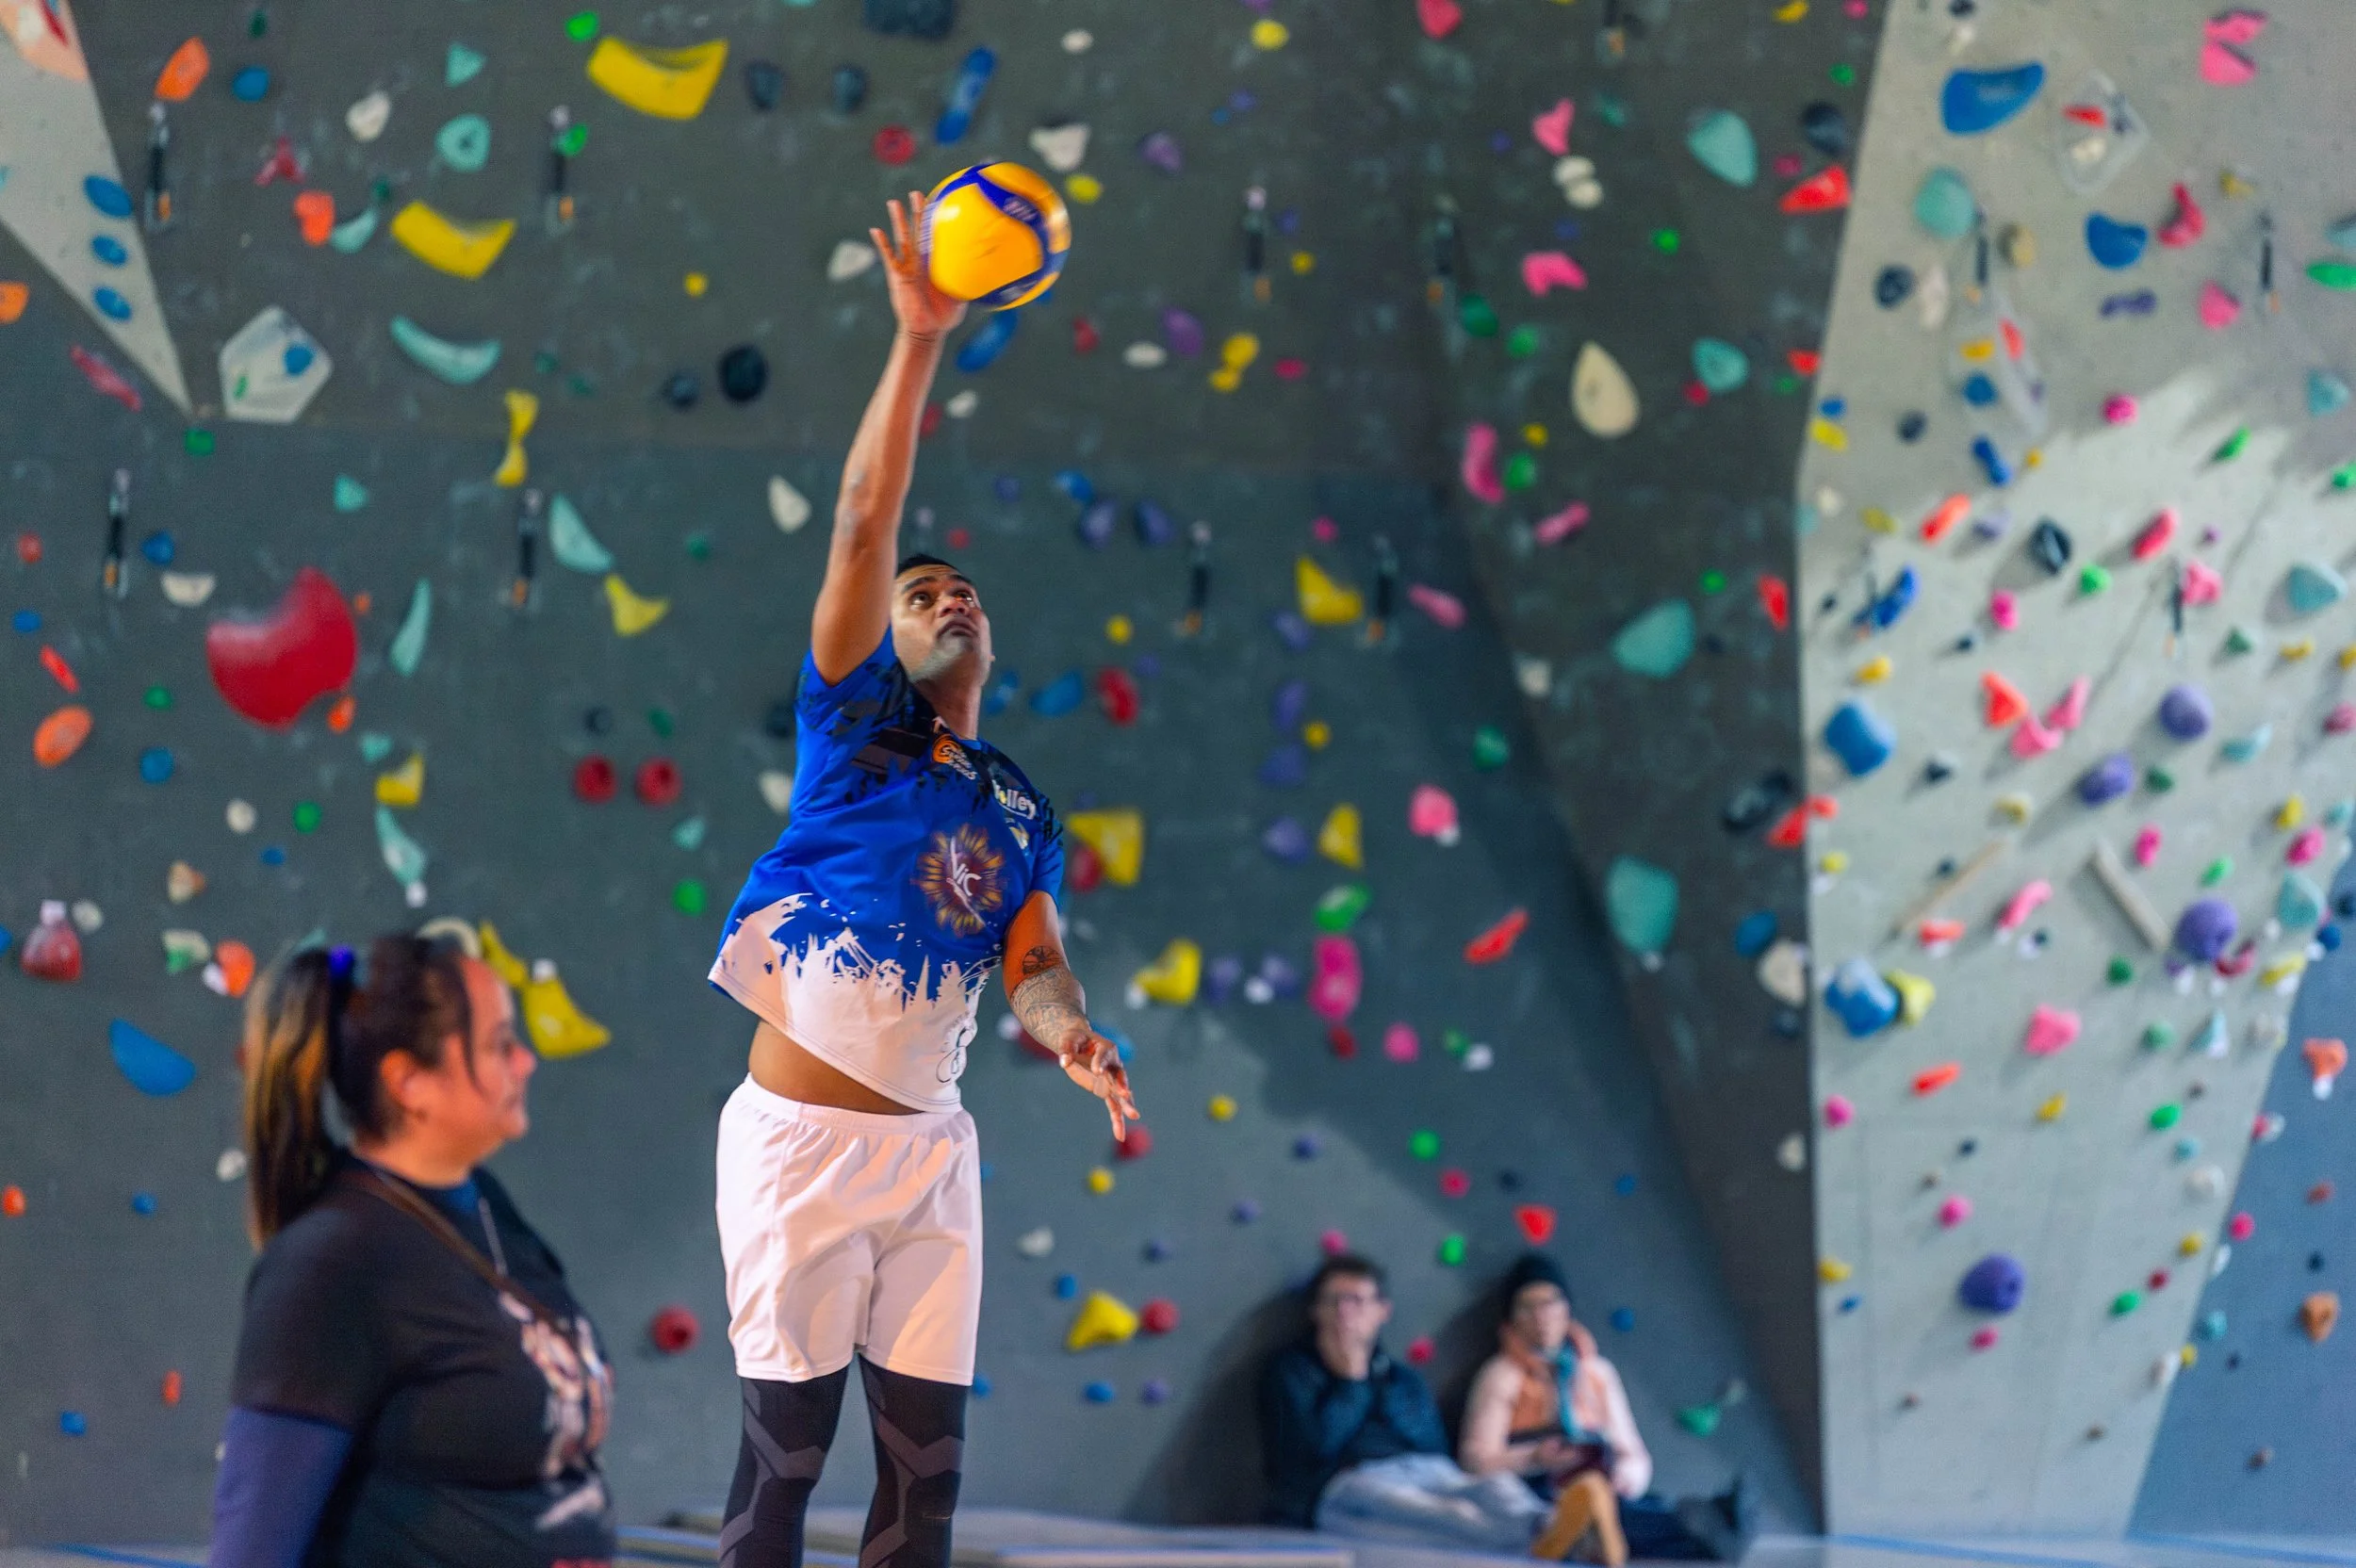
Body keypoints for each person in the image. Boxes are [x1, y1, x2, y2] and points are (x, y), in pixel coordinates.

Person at [706, 190, 1140, 1568]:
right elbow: (860, 517)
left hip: (931, 1156)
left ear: (990, 636)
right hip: (799, 1151)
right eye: (920, 591)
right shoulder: (852, 731)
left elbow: (1032, 959)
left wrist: (1072, 1035)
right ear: (884, 637)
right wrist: (918, 341)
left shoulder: (1019, 806)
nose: (943, 595)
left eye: (961, 590)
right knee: (782, 1473)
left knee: (927, 1491)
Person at [208, 933, 614, 1568]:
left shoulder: (484, 1205)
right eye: (497, 1045)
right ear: (410, 1082)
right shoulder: (330, 1262)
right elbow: (254, 1542)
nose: (525, 1062)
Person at [1260, 1255, 1599, 1557]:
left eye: (1358, 1301)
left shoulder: (1400, 1378)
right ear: (1315, 1310)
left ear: (1382, 1312)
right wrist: (1351, 1382)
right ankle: (1553, 1539)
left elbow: (1432, 1447)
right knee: (1440, 1518)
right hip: (1347, 1485)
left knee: (1494, 1487)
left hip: (1423, 1471)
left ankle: (1557, 1523)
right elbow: (1306, 1452)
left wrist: (1372, 1383)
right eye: (1334, 1301)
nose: (1346, 1313)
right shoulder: (1292, 1371)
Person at [1461, 1254, 1755, 1563]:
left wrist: (1626, 1477)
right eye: (1527, 1306)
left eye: (1549, 1303)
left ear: (1566, 1309)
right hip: (1539, 1484)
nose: (1540, 1316)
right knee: (1583, 1512)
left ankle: (1705, 1526)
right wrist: (1534, 1458)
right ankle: (1700, 1530)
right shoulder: (1502, 1375)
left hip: (1600, 1479)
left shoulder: (1596, 1372)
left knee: (1635, 1508)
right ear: (1512, 1318)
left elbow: (1630, 1448)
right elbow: (1474, 1459)